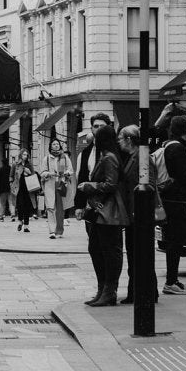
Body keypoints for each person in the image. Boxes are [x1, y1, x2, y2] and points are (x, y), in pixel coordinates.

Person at [80, 117, 128, 307]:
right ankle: (103, 289)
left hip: (107, 211)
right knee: (96, 248)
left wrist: (89, 186)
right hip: (100, 211)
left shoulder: (109, 158)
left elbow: (111, 184)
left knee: (108, 250)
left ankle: (109, 291)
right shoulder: (107, 156)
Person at [154, 107, 186, 296]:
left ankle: (173, 280)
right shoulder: (178, 148)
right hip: (176, 201)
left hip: (169, 199)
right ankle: (171, 281)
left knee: (173, 241)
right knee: (175, 242)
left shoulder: (167, 144)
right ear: (185, 130)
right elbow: (183, 175)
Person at [117, 127, 157, 306]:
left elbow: (150, 184)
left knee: (140, 253)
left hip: (139, 215)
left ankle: (145, 291)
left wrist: (142, 209)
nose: (119, 141)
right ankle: (139, 290)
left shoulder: (142, 157)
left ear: (129, 139)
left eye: (120, 138)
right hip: (133, 214)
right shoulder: (133, 157)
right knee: (135, 253)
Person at [46, 137, 73, 239]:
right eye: (54, 144)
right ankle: (52, 231)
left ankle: (59, 230)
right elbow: (42, 172)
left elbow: (71, 170)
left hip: (61, 184)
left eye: (57, 144)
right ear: (50, 146)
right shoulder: (47, 158)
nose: (56, 145)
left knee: (61, 209)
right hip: (50, 185)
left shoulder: (65, 157)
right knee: (51, 208)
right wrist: (49, 173)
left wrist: (66, 173)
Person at [14, 156, 37, 233]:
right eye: (23, 154)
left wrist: (29, 172)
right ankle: (20, 221)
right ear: (21, 155)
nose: (25, 156)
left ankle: (26, 226)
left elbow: (34, 175)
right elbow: (12, 175)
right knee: (20, 205)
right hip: (19, 188)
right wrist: (11, 183)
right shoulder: (16, 164)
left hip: (28, 188)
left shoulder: (29, 164)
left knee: (27, 206)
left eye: (26, 154)